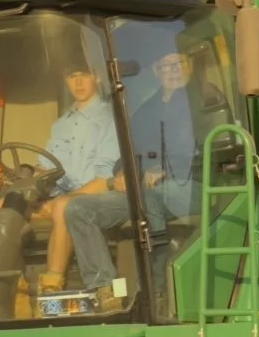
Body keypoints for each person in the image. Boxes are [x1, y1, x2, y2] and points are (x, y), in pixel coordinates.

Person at [64, 46, 202, 307]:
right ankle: (104, 289)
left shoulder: (203, 102)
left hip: (194, 186)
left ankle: (155, 290)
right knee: (78, 208)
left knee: (148, 200)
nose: (172, 71)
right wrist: (121, 172)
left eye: (178, 64)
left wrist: (165, 167)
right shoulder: (144, 112)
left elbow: (208, 151)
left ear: (190, 65)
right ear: (155, 72)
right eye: (165, 66)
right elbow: (129, 150)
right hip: (146, 192)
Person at [34, 55, 120, 294]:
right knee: (4, 205)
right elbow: (46, 168)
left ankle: (52, 285)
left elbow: (105, 179)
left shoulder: (111, 119)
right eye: (73, 77)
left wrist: (59, 201)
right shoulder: (61, 124)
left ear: (99, 77)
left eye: (85, 75)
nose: (79, 83)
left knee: (63, 206)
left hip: (96, 196)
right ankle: (10, 289)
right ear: (66, 81)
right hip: (61, 193)